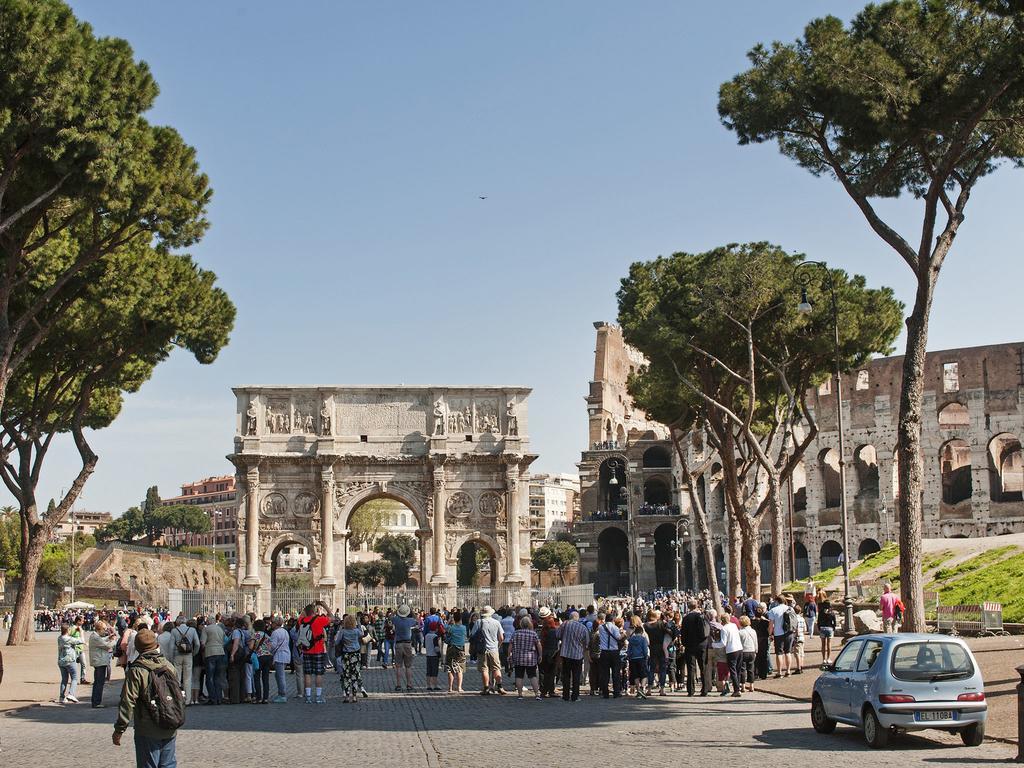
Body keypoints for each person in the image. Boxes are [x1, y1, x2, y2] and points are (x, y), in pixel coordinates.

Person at [112, 629, 180, 768]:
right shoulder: (169, 666)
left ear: (137, 648)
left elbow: (127, 701)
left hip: (147, 727)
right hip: (170, 724)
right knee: (168, 764)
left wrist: (120, 729)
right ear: (156, 645)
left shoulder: (137, 671)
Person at [298, 601, 331, 704]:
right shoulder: (319, 620)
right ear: (314, 611)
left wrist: (307, 608)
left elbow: (302, 614)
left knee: (307, 674)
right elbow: (332, 617)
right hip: (318, 650)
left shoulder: (302, 620)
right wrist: (324, 605)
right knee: (318, 674)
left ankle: (308, 697)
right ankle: (318, 696)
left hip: (306, 650)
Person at [556, 610, 590, 702]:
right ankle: (575, 696)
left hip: (566, 653)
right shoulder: (583, 628)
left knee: (566, 675)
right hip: (577, 655)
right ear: (577, 618)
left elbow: (557, 635)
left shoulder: (565, 624)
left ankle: (565, 696)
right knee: (576, 676)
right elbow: (586, 642)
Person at [473, 605, 505, 695]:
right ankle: (500, 687)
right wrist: (498, 645)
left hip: (482, 649)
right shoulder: (496, 622)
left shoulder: (478, 622)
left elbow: (472, 635)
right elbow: (501, 637)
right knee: (496, 668)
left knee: (484, 669)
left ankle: (486, 688)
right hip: (494, 649)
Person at [680, 599, 709, 696]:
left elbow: (683, 633)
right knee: (703, 667)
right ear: (697, 606)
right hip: (702, 644)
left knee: (691, 668)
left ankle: (691, 690)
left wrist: (684, 643)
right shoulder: (703, 616)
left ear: (688, 607)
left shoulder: (686, 618)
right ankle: (704, 689)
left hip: (690, 645)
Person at [168, 615, 199, 705]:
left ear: (177, 622)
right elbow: (197, 644)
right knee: (188, 678)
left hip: (177, 655)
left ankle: (177, 699)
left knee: (177, 678)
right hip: (188, 655)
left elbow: (171, 646)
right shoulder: (192, 630)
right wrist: (194, 653)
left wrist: (170, 657)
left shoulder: (174, 631)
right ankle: (187, 700)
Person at [336, 614, 367, 703]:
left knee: (346, 675)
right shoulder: (356, 631)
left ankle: (346, 695)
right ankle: (354, 696)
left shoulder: (343, 631)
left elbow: (337, 642)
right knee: (355, 675)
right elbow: (362, 636)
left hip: (346, 654)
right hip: (355, 655)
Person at [510, 616, 542, 700]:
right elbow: (539, 645)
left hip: (518, 657)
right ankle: (536, 694)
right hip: (530, 658)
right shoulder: (533, 633)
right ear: (529, 624)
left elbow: (511, 645)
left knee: (519, 676)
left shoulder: (516, 633)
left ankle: (520, 694)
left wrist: (509, 655)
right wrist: (540, 655)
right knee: (533, 676)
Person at [89, 619, 118, 708]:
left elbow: (102, 640)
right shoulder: (95, 637)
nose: (105, 631)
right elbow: (106, 646)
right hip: (99, 661)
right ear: (99, 629)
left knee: (98, 682)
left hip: (99, 661)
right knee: (99, 682)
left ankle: (96, 700)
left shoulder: (95, 636)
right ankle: (96, 702)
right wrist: (114, 640)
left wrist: (108, 637)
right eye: (104, 630)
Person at [391, 604, 418, 692]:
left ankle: (398, 685)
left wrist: (396, 610)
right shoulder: (410, 620)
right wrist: (412, 611)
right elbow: (417, 619)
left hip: (398, 644)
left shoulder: (396, 620)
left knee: (398, 666)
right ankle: (409, 684)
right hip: (407, 644)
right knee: (408, 666)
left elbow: (390, 616)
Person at [200, 615, 226, 705]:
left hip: (210, 653)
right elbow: (223, 641)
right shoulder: (220, 629)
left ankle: (212, 698)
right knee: (218, 677)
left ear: (208, 621)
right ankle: (219, 698)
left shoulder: (206, 629)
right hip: (220, 652)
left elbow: (203, 643)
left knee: (210, 677)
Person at [767, 594, 795, 678]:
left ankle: (779, 672)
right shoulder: (790, 609)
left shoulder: (773, 610)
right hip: (789, 632)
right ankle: (788, 671)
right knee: (788, 652)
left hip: (778, 633)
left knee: (779, 653)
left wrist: (770, 634)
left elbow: (771, 625)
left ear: (776, 601)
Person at [597, 610, 623, 698]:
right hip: (614, 651)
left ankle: (605, 692)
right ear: (613, 620)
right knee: (616, 673)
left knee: (605, 673)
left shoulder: (601, 627)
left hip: (604, 652)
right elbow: (619, 638)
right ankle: (616, 692)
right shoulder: (615, 628)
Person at [57, 623, 84, 704]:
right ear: (68, 630)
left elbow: (68, 636)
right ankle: (71, 694)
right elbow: (81, 641)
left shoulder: (59, 638)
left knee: (64, 679)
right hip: (70, 660)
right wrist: (81, 632)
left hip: (61, 661)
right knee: (74, 677)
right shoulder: (69, 639)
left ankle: (61, 697)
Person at [718, 613, 743, 698]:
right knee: (738, 670)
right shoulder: (734, 625)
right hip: (739, 648)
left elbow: (723, 643)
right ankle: (738, 687)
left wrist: (714, 644)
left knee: (733, 670)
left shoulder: (724, 629)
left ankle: (736, 690)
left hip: (731, 650)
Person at [626, 615, 650, 699]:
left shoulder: (631, 639)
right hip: (641, 657)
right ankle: (642, 689)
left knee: (635, 674)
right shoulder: (643, 639)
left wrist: (629, 656)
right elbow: (645, 647)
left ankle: (638, 688)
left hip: (633, 658)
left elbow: (629, 649)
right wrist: (646, 656)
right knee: (644, 674)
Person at [269, 616, 291, 703]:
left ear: (275, 624)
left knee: (280, 675)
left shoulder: (275, 633)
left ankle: (282, 694)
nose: (271, 624)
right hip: (286, 654)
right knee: (279, 675)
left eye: (272, 623)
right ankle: (281, 693)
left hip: (279, 655)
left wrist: (268, 645)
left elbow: (273, 646)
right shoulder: (285, 631)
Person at [444, 611, 467, 694]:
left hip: (451, 648)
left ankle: (450, 687)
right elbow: (465, 636)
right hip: (460, 648)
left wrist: (450, 620)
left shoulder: (451, 628)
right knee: (460, 668)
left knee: (450, 669)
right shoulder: (464, 628)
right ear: (460, 619)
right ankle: (459, 687)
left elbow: (445, 628)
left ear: (454, 618)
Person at [737, 615, 757, 693]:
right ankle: (752, 685)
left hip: (743, 651)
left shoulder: (740, 632)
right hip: (752, 651)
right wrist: (756, 650)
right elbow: (755, 642)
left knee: (742, 669)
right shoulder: (753, 631)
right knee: (751, 669)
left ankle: (743, 686)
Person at [423, 620, 442, 691]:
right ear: (436, 628)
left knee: (429, 671)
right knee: (434, 671)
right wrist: (439, 655)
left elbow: (424, 645)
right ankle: (435, 685)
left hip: (428, 655)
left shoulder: (426, 636)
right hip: (434, 656)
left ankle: (428, 685)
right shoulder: (435, 636)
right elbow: (436, 647)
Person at [818, 599, 837, 664]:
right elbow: (834, 621)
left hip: (822, 628)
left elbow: (818, 621)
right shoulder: (831, 612)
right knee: (829, 644)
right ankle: (828, 658)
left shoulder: (821, 612)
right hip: (829, 628)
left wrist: (819, 628)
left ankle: (823, 659)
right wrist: (833, 628)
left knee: (823, 644)